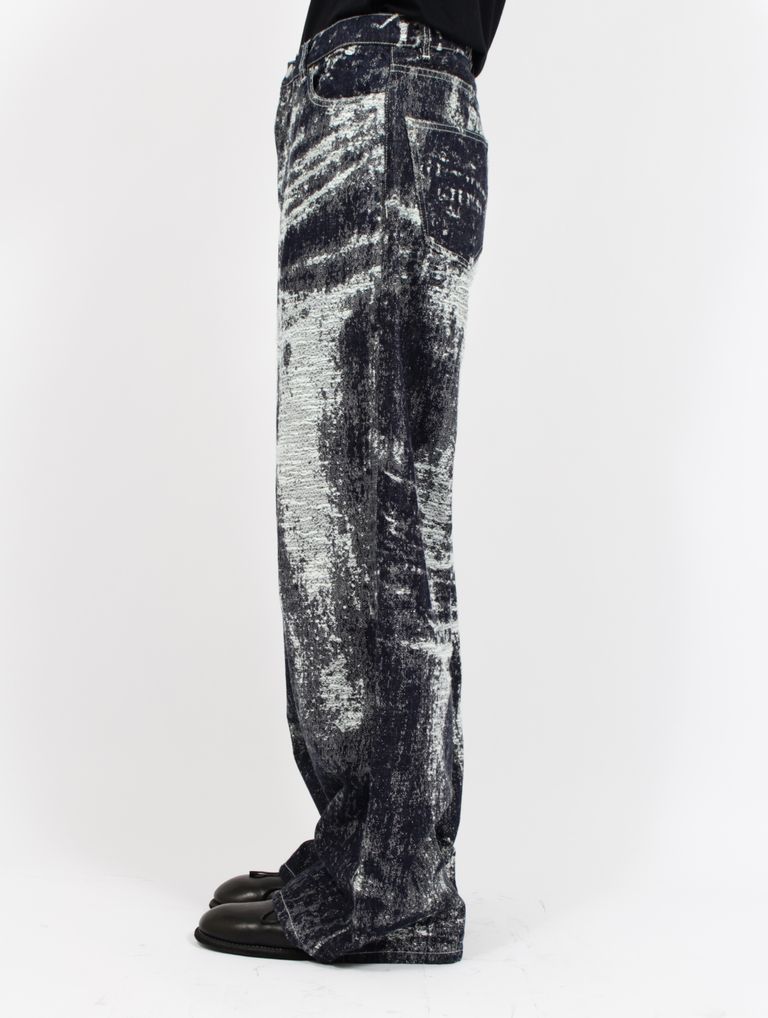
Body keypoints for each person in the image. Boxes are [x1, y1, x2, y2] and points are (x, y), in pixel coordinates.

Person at [193, 2, 506, 965]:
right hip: (381, 90)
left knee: (365, 517)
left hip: (384, 86)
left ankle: (386, 886)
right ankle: (370, 851)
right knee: (358, 507)